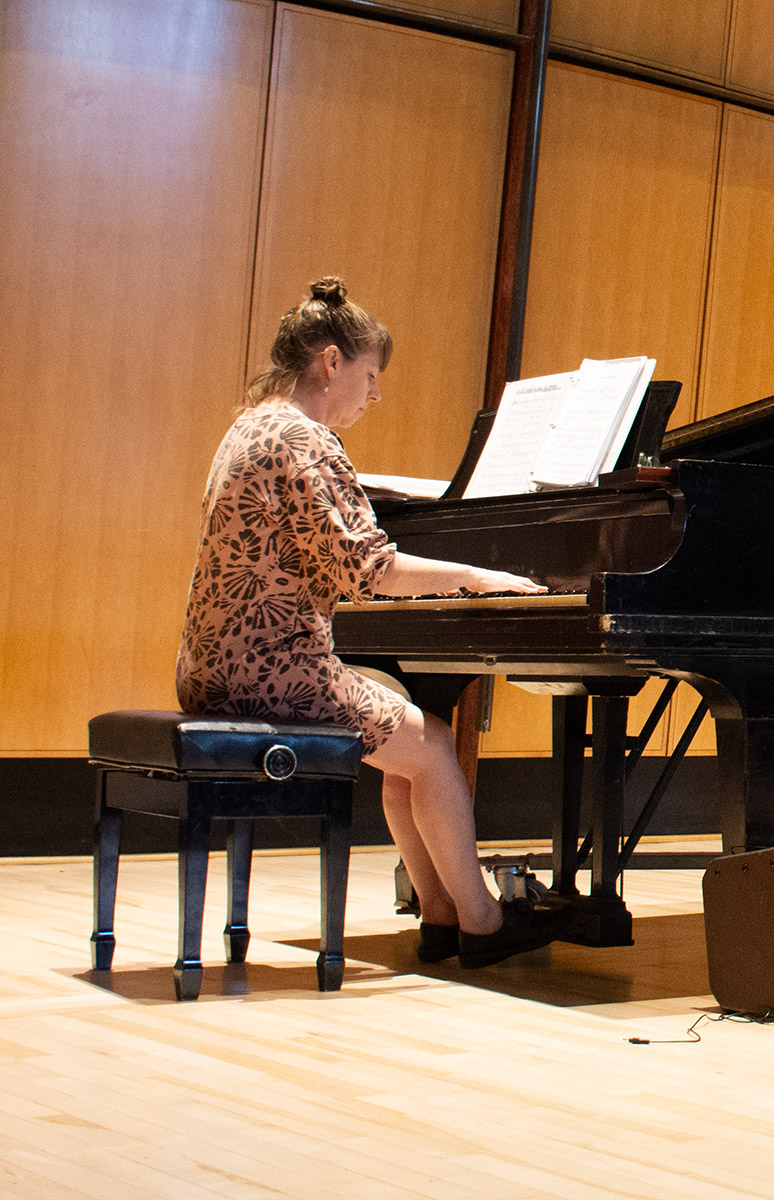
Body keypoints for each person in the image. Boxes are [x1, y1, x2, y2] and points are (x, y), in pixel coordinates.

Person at [176, 276, 567, 969]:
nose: (375, 394)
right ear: (331, 362)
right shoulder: (306, 439)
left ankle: (439, 915)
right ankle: (482, 921)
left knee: (406, 737)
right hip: (272, 672)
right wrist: (476, 576)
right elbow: (371, 570)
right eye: (371, 375)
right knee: (435, 748)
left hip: (212, 666)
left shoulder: (251, 426)